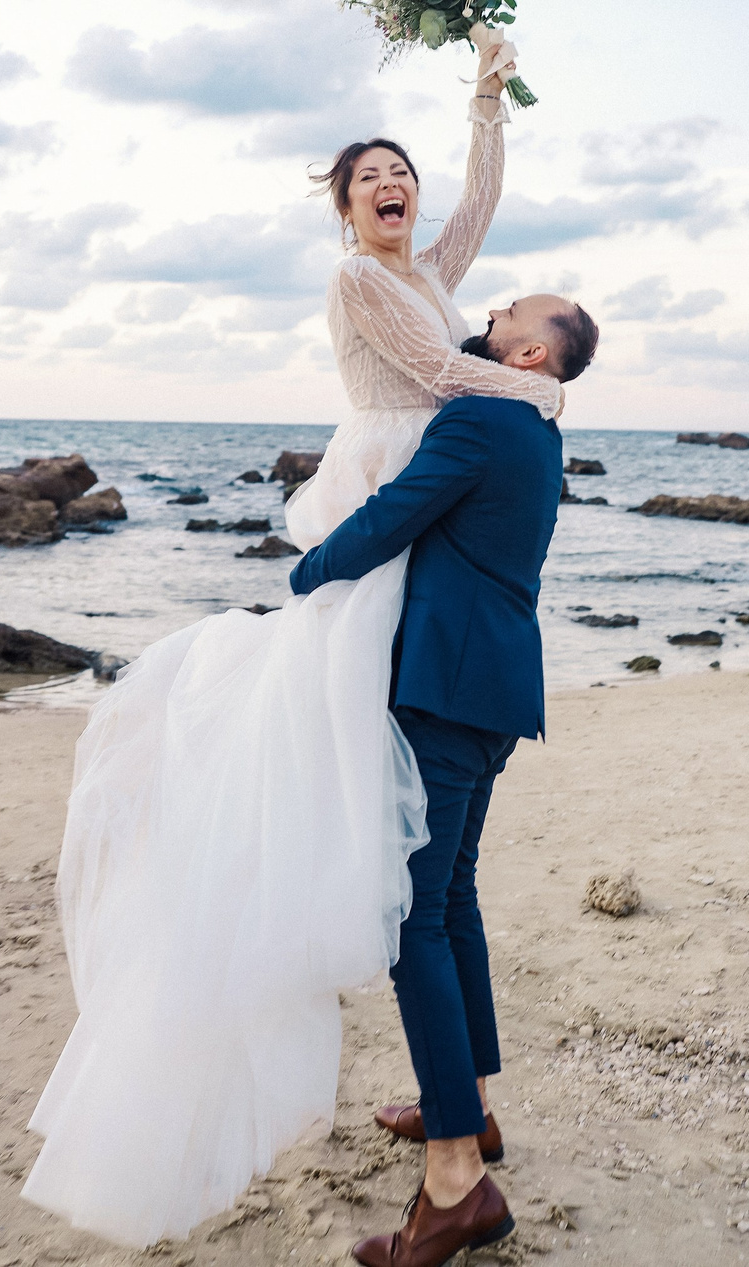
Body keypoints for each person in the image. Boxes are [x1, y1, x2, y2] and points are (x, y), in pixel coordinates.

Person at [22, 31, 573, 1247]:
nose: (393, 184)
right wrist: (536, 390)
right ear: (346, 210)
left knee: (427, 888)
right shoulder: (364, 285)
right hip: (393, 466)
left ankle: (461, 1122)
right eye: (370, 177)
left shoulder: (436, 279)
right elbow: (433, 366)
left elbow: (480, 208)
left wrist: (485, 101)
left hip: (425, 494)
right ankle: (459, 1104)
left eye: (403, 172)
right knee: (413, 835)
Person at [285, 295, 598, 1267]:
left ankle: (457, 1182)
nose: (492, 308)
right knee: (451, 897)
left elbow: (394, 517)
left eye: (513, 311)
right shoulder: (540, 431)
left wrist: (305, 573)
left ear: (530, 351)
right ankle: (470, 1106)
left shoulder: (480, 418)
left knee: (410, 919)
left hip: (446, 694)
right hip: (496, 689)